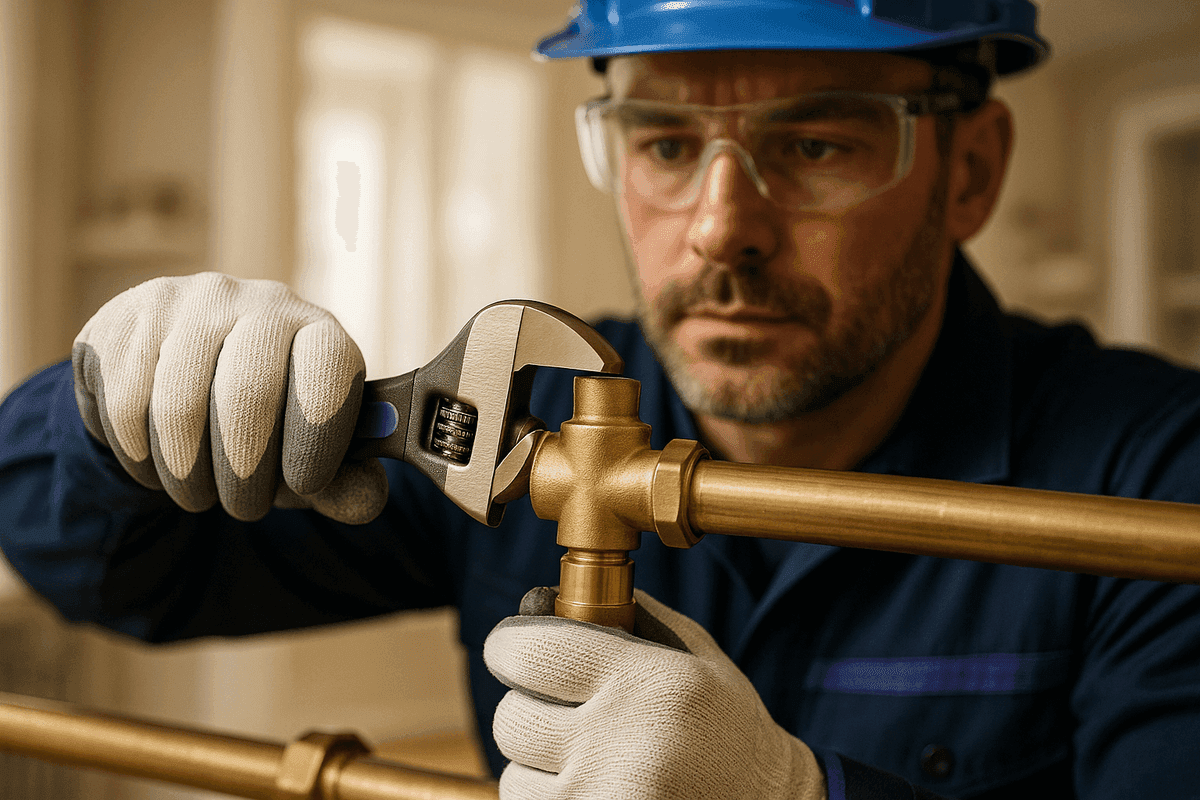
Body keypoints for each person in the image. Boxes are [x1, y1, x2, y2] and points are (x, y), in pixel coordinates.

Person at [2, 1, 1200, 797]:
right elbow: (115, 577)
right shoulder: (524, 419)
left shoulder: (1157, 478)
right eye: (665, 145)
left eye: (820, 145)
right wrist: (106, 419)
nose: (722, 226)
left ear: (971, 171)